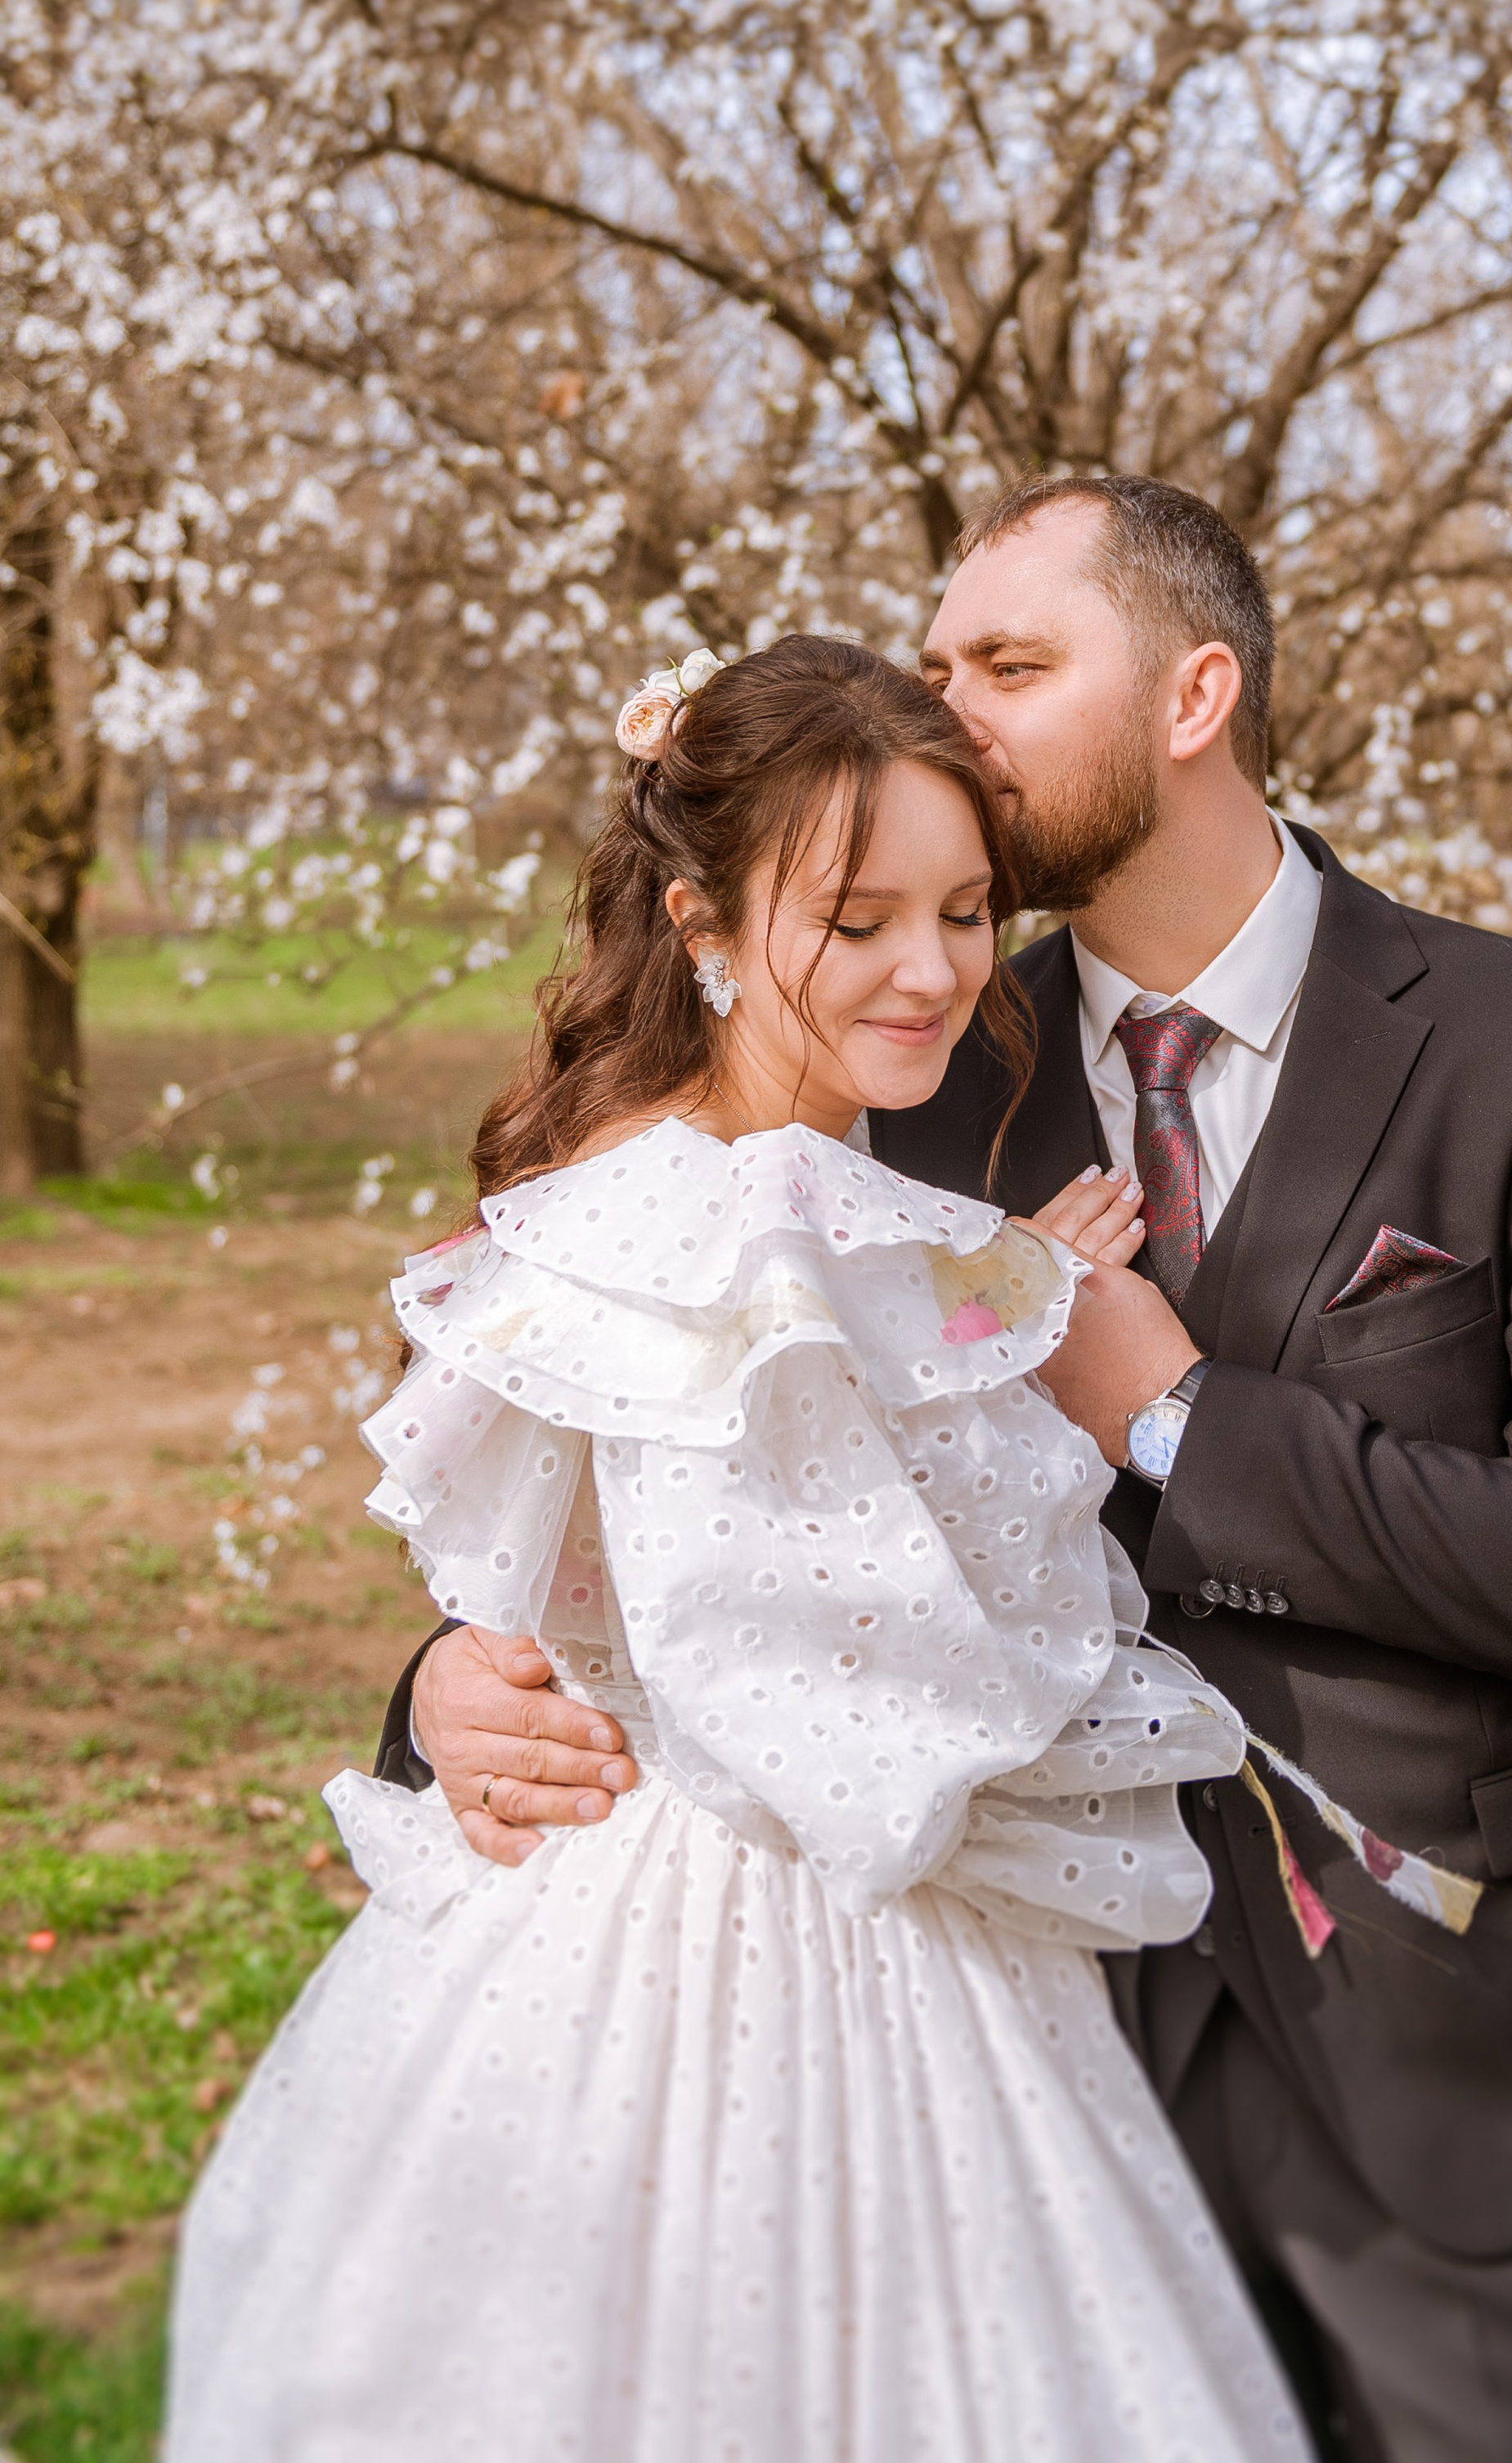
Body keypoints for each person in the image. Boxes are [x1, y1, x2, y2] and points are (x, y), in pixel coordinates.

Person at [395, 480, 1512, 2463]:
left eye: (1009, 667)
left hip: (1446, 2030)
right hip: (1013, 2058)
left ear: (1195, 693)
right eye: (938, 667)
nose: (953, 715)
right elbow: (641, 1431)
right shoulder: (894, 1054)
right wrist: (439, 1690)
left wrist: (1180, 1417)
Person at [164, 632, 1312, 2463]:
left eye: (960, 911)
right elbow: (877, 1702)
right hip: (788, 1947)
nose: (933, 972)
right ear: (701, 923)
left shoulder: (603, 1204)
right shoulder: (797, 1241)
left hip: (574, 1922)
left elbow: (557, 1586)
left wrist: (989, 1298)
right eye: (855, 922)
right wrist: (1038, 1349)